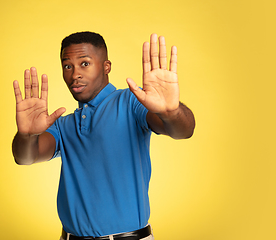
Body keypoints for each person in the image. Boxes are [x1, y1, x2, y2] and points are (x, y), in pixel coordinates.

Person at [12, 31, 195, 240]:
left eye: (85, 64)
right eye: (67, 66)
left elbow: (182, 131)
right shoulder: (63, 124)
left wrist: (171, 112)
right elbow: (25, 157)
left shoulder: (130, 101)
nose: (75, 74)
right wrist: (27, 135)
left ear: (106, 66)